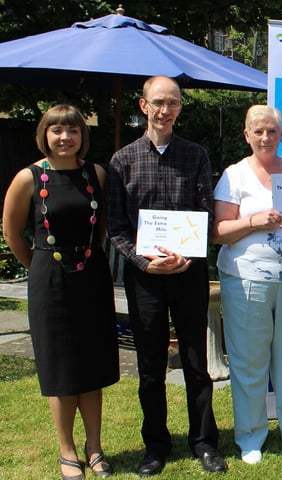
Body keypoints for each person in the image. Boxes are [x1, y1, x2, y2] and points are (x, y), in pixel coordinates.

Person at [105, 76, 227, 476]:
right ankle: (155, 446)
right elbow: (117, 227)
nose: (165, 110)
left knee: (196, 362)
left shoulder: (196, 155)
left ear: (179, 108)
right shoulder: (123, 160)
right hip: (146, 278)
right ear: (143, 106)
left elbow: (205, 211)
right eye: (158, 103)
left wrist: (189, 255)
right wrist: (144, 264)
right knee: (150, 366)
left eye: (173, 103)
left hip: (189, 272)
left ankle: (205, 442)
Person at [2, 104, 119, 480]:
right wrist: (40, 266)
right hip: (50, 281)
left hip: (91, 277)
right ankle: (67, 450)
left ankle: (95, 446)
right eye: (57, 131)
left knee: (93, 363)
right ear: (44, 135)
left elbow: (100, 228)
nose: (65, 137)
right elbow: (11, 232)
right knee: (61, 366)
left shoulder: (95, 174)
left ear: (83, 136)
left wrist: (85, 257)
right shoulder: (28, 177)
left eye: (72, 130)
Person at [211, 105, 282, 464]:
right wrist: (253, 221)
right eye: (258, 131)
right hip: (247, 279)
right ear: (247, 135)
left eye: (272, 131)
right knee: (250, 360)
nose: (265, 137)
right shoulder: (234, 176)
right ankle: (250, 436)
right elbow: (219, 232)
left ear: (281, 134)